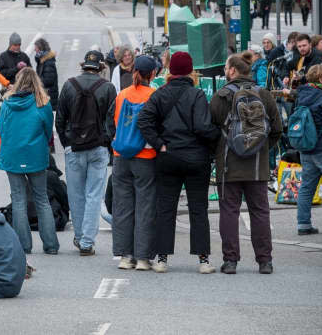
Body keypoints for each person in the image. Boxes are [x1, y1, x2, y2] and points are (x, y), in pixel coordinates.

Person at [137, 51, 221, 274]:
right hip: (195, 158)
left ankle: (162, 259)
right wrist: (216, 136)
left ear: (170, 70)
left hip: (168, 157)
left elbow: (143, 120)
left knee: (165, 209)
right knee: (198, 209)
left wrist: (158, 143)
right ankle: (203, 260)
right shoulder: (197, 95)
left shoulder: (160, 94)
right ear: (190, 71)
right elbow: (203, 128)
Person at [210, 52, 282, 275]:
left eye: (226, 67)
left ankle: (230, 261)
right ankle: (265, 261)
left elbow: (211, 129)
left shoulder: (221, 95)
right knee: (260, 212)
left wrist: (219, 152)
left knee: (229, 211)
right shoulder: (264, 95)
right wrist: (259, 148)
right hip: (257, 165)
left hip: (228, 164)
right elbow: (277, 130)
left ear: (232, 71)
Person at [56, 50, 116, 255]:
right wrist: (106, 143)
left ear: (83, 65)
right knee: (93, 195)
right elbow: (112, 121)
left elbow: (60, 119)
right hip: (98, 148)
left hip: (74, 147)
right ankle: (87, 242)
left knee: (76, 194)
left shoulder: (69, 85)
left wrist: (67, 143)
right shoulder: (108, 88)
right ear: (100, 67)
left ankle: (80, 235)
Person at [0, 67, 59, 255]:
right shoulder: (43, 103)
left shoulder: (8, 103)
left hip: (13, 154)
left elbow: (2, 129)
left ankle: (24, 245)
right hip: (35, 154)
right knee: (42, 199)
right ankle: (50, 245)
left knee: (18, 200)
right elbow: (48, 130)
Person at [106, 55, 158, 271]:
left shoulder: (122, 95)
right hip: (145, 157)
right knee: (144, 206)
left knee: (122, 206)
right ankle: (143, 257)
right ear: (152, 74)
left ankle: (126, 256)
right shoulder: (154, 96)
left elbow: (110, 123)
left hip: (121, 157)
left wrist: (116, 143)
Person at [292, 64, 322, 240]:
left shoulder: (301, 95)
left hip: (306, 148)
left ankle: (303, 224)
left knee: (307, 186)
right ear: (320, 79)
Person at [34, 38, 59, 111]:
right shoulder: (43, 60)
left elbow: (48, 80)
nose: (34, 50)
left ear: (40, 48)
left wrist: (34, 82)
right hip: (46, 97)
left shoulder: (48, 61)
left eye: (35, 48)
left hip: (48, 98)